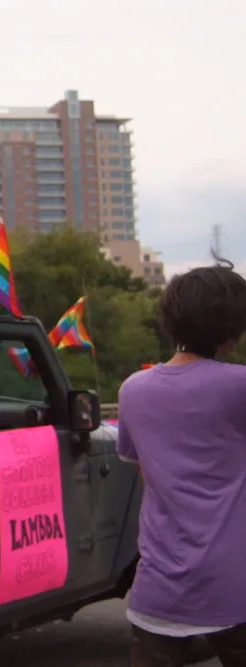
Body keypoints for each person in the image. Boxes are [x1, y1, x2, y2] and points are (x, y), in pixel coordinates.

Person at [116, 261, 246, 667]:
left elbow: (148, 473)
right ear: (231, 326)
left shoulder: (133, 390)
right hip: (235, 586)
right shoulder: (239, 386)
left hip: (159, 590)